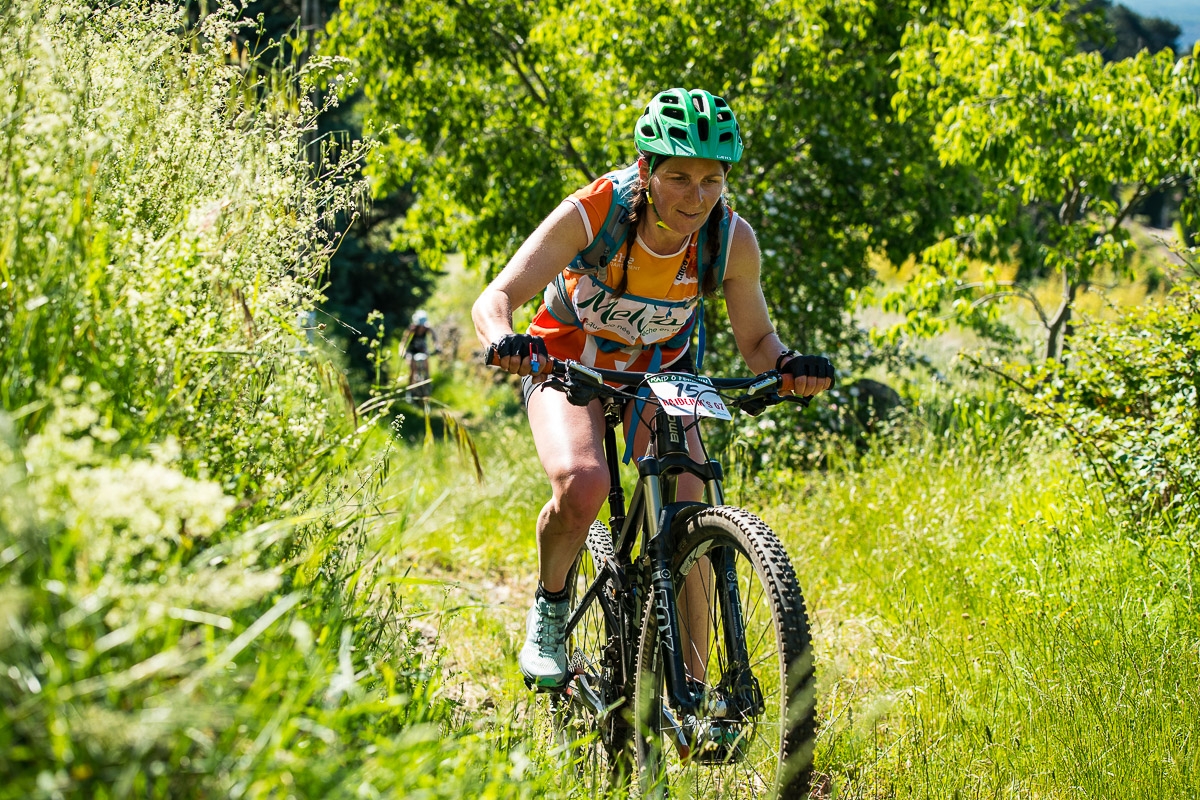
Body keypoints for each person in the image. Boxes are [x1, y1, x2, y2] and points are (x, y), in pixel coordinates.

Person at [471, 88, 834, 689]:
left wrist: (790, 365)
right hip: (566, 360)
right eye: (680, 177)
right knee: (584, 484)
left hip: (662, 373)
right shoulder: (596, 211)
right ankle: (551, 611)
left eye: (712, 180)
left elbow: (758, 341)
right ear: (646, 169)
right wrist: (502, 338)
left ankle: (693, 697)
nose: (697, 197)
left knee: (690, 503)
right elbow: (497, 297)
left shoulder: (730, 240)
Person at [404, 310, 435, 399]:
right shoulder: (412, 329)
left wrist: (437, 346)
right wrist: (403, 352)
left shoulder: (427, 328)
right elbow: (404, 342)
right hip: (412, 351)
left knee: (426, 363)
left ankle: (427, 382)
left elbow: (434, 338)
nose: (422, 327)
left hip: (422, 350)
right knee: (413, 369)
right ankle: (409, 391)